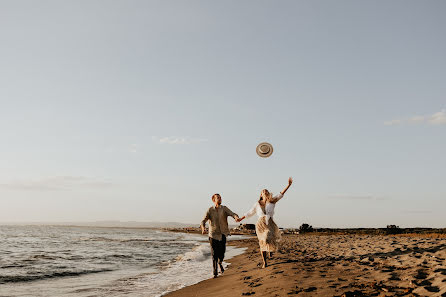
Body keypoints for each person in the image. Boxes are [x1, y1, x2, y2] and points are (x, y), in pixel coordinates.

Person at [237, 177, 293, 268]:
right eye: (263, 191)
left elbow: (281, 194)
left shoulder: (272, 200)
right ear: (261, 194)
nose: (265, 191)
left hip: (269, 222)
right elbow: (250, 212)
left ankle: (270, 250)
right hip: (260, 224)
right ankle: (264, 262)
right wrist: (240, 219)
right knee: (262, 241)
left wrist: (288, 185)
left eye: (266, 191)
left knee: (268, 237)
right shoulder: (257, 203)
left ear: (268, 193)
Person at [201, 193, 240, 278]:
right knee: (214, 254)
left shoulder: (224, 208)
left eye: (220, 198)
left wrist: (236, 217)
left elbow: (232, 213)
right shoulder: (210, 210)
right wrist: (203, 228)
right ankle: (215, 273)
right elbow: (203, 221)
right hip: (213, 234)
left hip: (223, 233)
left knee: (222, 252)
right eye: (218, 198)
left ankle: (220, 262)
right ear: (213, 200)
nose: (220, 199)